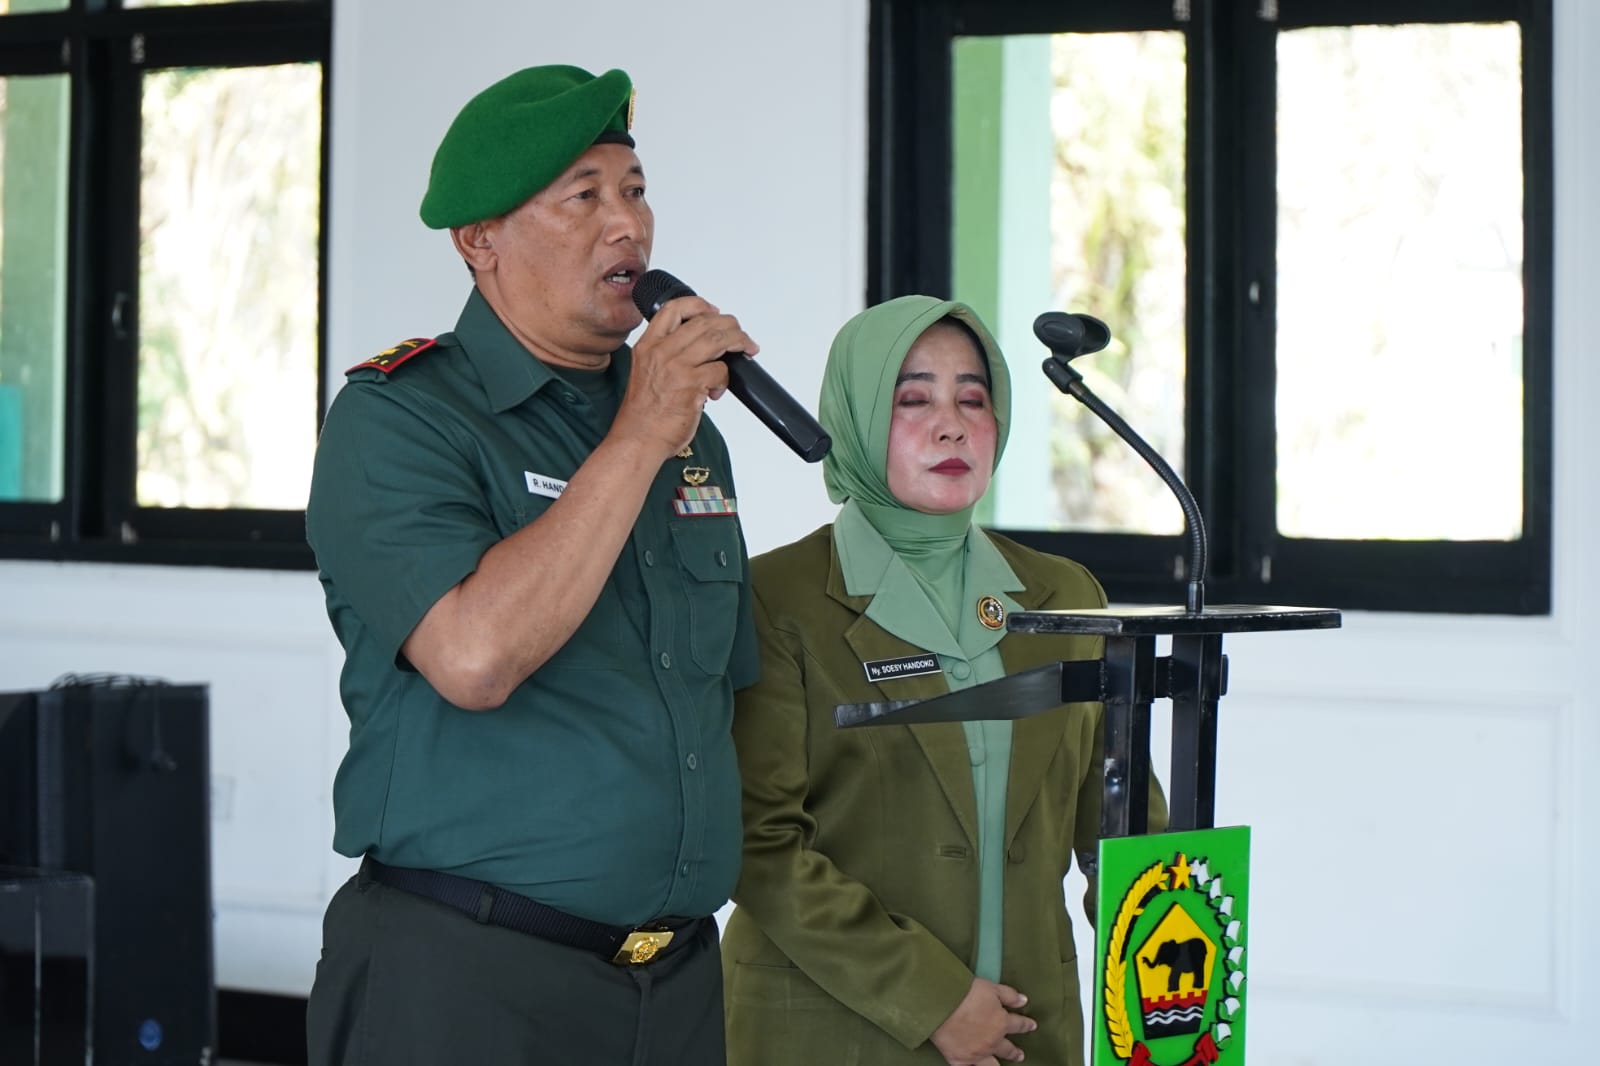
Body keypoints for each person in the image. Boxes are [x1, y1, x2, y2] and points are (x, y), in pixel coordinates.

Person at [303, 64, 761, 1066]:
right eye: (582, 198)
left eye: (635, 190)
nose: (627, 225)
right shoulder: (399, 417)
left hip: (676, 984)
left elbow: (719, 701)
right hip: (469, 979)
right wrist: (639, 434)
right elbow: (473, 657)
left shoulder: (685, 435)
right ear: (480, 241)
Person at [719, 296, 1169, 1066]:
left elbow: (1121, 820)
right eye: (913, 400)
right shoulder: (773, 600)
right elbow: (758, 843)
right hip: (832, 1033)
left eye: (973, 398)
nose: (951, 426)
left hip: (1029, 1030)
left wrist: (1174, 994)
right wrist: (930, 999)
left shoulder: (1065, 596)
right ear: (856, 418)